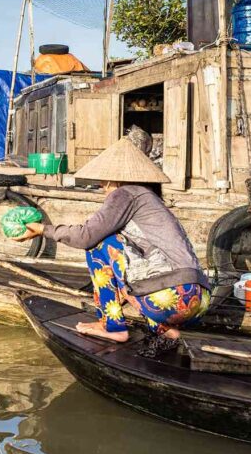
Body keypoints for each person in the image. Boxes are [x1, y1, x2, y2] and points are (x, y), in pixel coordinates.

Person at [12, 138, 211, 355]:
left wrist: (42, 230)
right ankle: (165, 330)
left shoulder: (125, 194)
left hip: (171, 300)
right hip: (198, 301)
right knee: (129, 257)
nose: (100, 186)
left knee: (99, 246)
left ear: (112, 179)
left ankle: (112, 326)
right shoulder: (149, 199)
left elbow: (85, 236)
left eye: (102, 181)